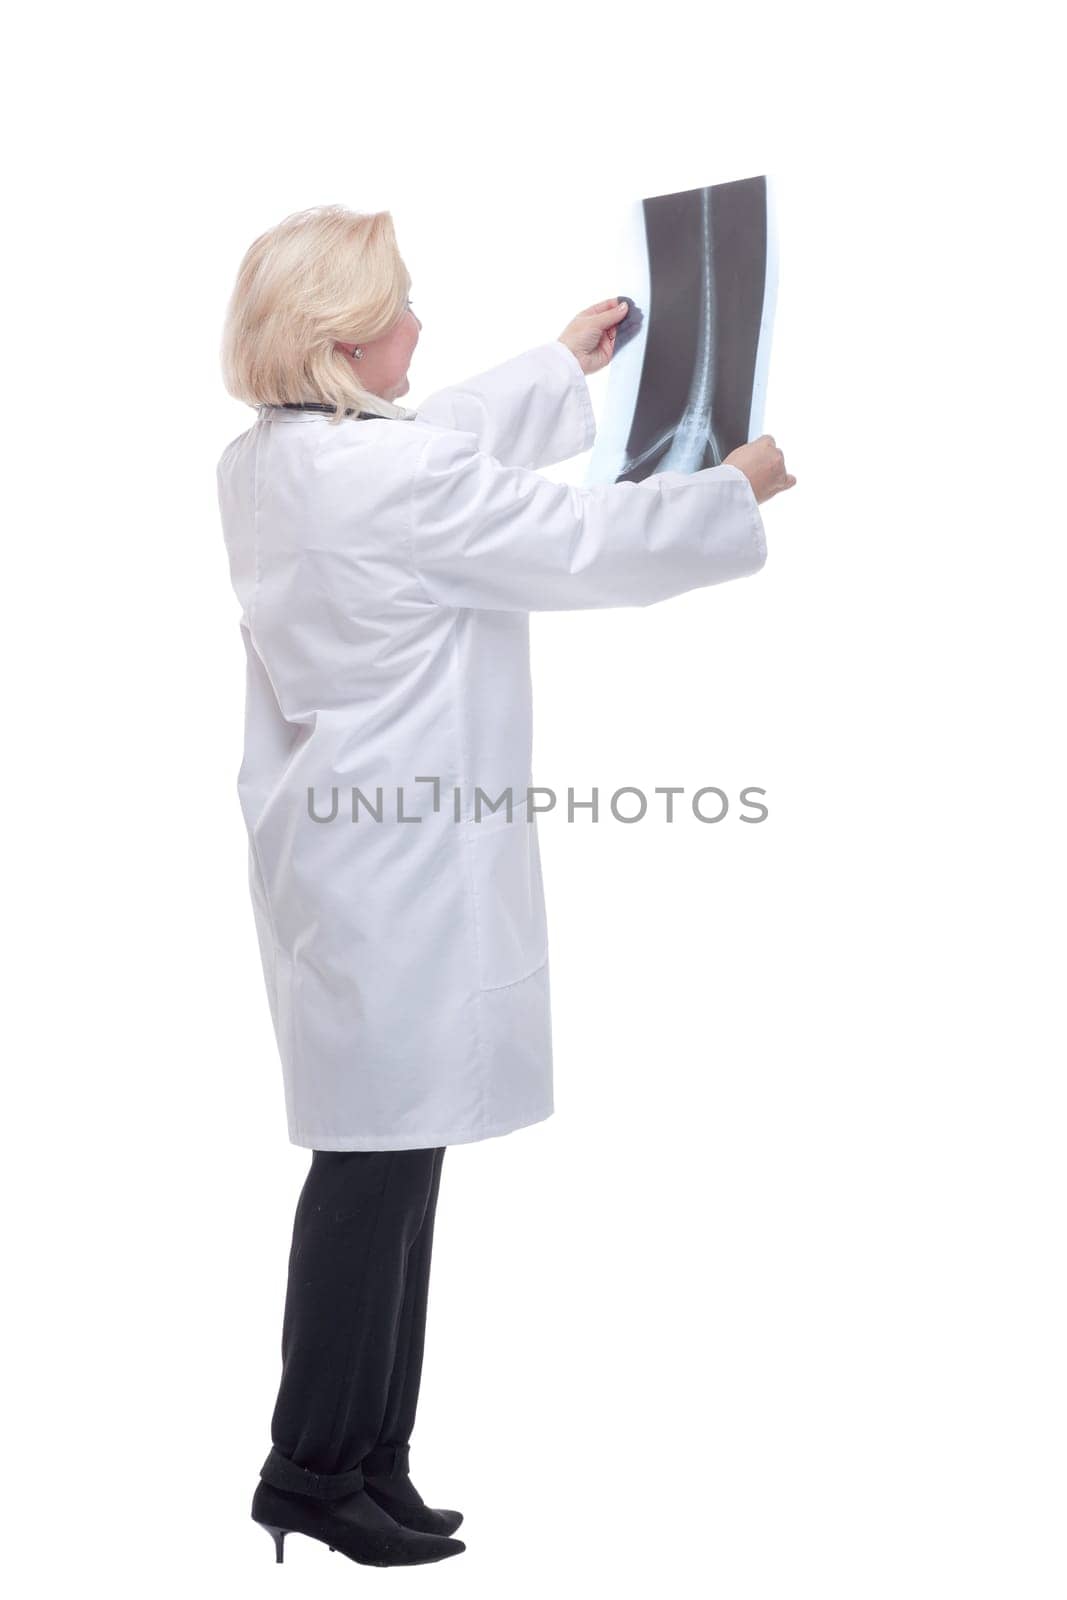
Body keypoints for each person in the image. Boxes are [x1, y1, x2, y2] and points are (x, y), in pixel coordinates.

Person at [216, 203, 795, 1569]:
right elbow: (580, 548)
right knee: (374, 1180)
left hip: (345, 856)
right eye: (402, 310)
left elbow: (424, 447)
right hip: (402, 868)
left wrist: (559, 363)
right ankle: (310, 1468)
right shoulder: (390, 484)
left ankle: (368, 1459)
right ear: (345, 346)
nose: (420, 326)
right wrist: (738, 488)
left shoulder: (268, 464)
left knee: (388, 1165)